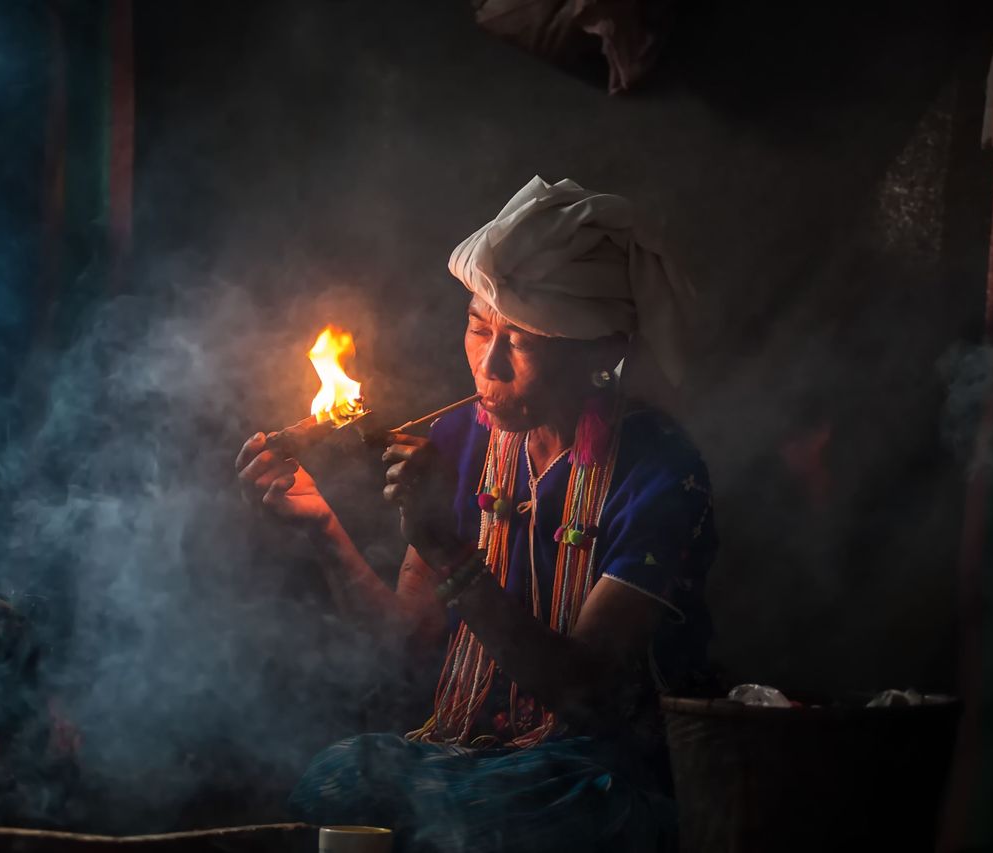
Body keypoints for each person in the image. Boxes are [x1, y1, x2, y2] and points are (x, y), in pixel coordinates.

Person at [236, 177, 717, 853]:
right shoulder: (462, 438)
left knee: (525, 809)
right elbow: (407, 643)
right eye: (477, 324)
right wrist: (324, 529)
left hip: (600, 767)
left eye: (520, 342)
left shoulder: (661, 470)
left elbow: (586, 694)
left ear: (599, 354)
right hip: (467, 754)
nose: (486, 365)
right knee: (336, 779)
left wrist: (447, 546)